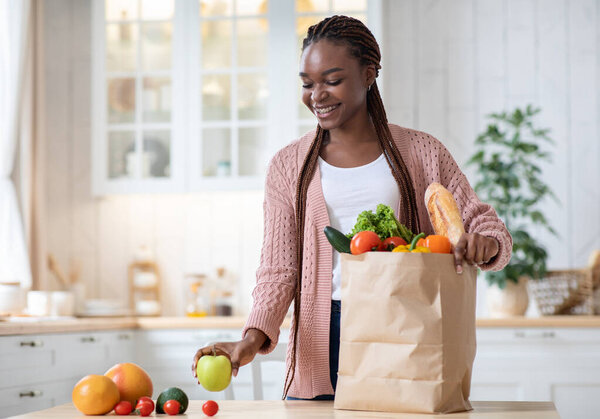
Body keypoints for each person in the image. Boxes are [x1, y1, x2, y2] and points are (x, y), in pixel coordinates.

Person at [192, 15, 512, 401]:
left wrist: (486, 244)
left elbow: (482, 223)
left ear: (368, 74)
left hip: (405, 325)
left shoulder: (422, 151)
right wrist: (250, 340)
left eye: (332, 80)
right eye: (308, 84)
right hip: (321, 332)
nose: (317, 95)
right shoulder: (287, 166)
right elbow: (278, 270)